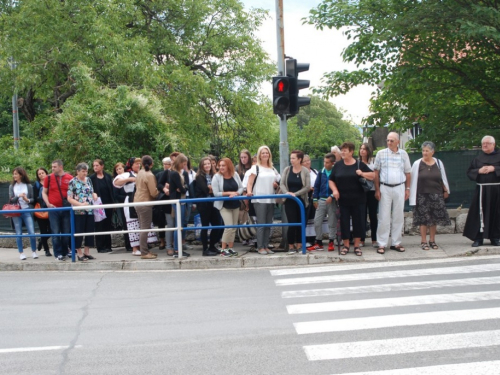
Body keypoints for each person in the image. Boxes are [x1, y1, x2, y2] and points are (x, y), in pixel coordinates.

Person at [329, 142, 375, 256]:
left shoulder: (359, 164)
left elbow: (373, 175)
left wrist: (362, 173)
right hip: (343, 199)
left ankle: (357, 246)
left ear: (351, 152)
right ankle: (346, 245)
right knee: (344, 222)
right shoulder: (338, 165)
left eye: (345, 150)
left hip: (358, 199)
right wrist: (335, 190)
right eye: (342, 150)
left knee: (358, 222)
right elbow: (331, 180)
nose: (343, 152)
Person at [373, 132, 411, 254]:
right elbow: (376, 173)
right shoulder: (380, 153)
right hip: (385, 187)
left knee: (398, 216)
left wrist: (407, 189)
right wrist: (377, 189)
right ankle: (382, 243)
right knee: (384, 216)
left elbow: (408, 172)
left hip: (400, 186)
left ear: (398, 142)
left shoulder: (404, 154)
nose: (389, 143)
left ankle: (396, 242)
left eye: (392, 141)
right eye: (388, 140)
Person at [409, 141, 451, 250]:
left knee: (434, 219)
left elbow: (443, 178)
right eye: (423, 150)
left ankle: (432, 240)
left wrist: (446, 190)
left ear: (432, 152)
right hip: (422, 195)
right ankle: (423, 241)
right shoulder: (417, 163)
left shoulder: (438, 162)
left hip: (436, 194)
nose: (424, 153)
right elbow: (412, 179)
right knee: (423, 219)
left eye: (427, 151)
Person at [113, 157, 157, 256]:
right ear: (131, 165)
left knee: (142, 224)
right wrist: (129, 179)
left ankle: (144, 248)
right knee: (133, 224)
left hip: (140, 199)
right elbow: (116, 182)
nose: (138, 165)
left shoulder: (142, 173)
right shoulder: (128, 174)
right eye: (136, 164)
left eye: (139, 163)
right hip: (130, 200)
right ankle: (134, 248)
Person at [463, 135, 500, 247]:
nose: (484, 145)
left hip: (497, 190)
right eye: (483, 143)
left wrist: (495, 169)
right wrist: (478, 171)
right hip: (482, 190)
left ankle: (496, 237)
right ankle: (478, 238)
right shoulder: (478, 159)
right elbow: (469, 172)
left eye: (487, 143)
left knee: (497, 214)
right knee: (479, 214)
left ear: (493, 144)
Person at [246, 146, 281, 255]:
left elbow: (278, 182)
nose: (265, 155)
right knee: (261, 224)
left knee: (268, 224)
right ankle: (260, 247)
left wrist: (276, 185)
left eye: (267, 153)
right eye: (263, 153)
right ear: (259, 155)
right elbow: (250, 182)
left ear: (269, 155)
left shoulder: (273, 169)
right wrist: (249, 191)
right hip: (259, 199)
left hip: (270, 198)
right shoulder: (255, 168)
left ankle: (266, 246)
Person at [280, 150, 311, 254]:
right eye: (291, 158)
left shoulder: (305, 171)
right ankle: (291, 246)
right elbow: (282, 183)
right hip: (289, 201)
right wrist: (287, 193)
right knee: (292, 223)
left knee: (301, 223)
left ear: (299, 159)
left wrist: (296, 194)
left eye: (293, 158)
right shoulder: (287, 170)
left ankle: (300, 244)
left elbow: (307, 186)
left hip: (301, 200)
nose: (291, 160)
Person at [42, 159, 73, 261]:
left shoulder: (70, 178)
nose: (52, 169)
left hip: (66, 209)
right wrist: (48, 203)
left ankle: (65, 251)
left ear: (61, 167)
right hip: (53, 209)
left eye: (54, 167)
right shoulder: (48, 178)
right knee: (55, 232)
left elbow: (74, 192)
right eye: (52, 167)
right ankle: (58, 254)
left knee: (66, 232)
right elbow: (44, 192)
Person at [212, 157, 244, 257]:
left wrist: (236, 194)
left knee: (234, 227)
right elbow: (216, 193)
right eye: (220, 165)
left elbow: (241, 187)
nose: (221, 167)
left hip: (235, 204)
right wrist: (229, 193)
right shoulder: (216, 177)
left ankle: (230, 247)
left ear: (228, 166)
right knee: (228, 226)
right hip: (224, 205)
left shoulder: (235, 174)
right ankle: (223, 249)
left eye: (223, 165)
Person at [67, 163, 98, 261]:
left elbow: (92, 191)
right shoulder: (72, 182)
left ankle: (87, 251)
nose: (85, 173)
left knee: (89, 231)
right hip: (78, 211)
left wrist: (94, 195)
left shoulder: (88, 180)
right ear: (78, 171)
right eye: (83, 171)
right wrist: (80, 205)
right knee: (79, 231)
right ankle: (79, 253)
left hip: (89, 210)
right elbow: (69, 198)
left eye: (86, 171)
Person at [308, 153, 337, 252]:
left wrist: (332, 196)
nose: (325, 164)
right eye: (324, 162)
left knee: (332, 221)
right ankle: (319, 242)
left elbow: (339, 187)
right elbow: (316, 186)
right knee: (317, 221)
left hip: (332, 201)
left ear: (333, 163)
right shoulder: (321, 172)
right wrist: (315, 199)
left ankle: (331, 241)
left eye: (327, 162)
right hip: (321, 200)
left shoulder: (335, 172)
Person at [195, 157, 223, 256]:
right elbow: (206, 190)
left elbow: (217, 188)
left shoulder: (214, 175)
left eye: (208, 164)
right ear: (201, 166)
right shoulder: (199, 176)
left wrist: (212, 189)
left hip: (213, 203)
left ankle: (212, 245)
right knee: (205, 226)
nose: (207, 165)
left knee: (218, 224)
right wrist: (211, 189)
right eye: (205, 164)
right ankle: (205, 249)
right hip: (204, 204)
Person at [134, 155, 159, 259]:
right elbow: (153, 192)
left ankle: (145, 250)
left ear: (142, 164)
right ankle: (144, 252)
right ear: (152, 164)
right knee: (145, 228)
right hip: (145, 203)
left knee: (142, 227)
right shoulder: (149, 175)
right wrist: (160, 191)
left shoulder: (140, 172)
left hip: (137, 201)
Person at [9, 167, 37, 260]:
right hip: (16, 212)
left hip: (26, 210)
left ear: (21, 174)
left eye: (16, 174)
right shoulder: (12, 186)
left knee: (32, 232)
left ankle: (34, 251)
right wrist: (18, 196)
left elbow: (33, 199)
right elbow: (11, 200)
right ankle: (21, 253)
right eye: (14, 174)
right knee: (19, 233)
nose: (14, 176)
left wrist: (27, 199)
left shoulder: (28, 185)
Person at [89, 159, 114, 253]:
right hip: (98, 205)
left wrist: (113, 203)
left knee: (108, 225)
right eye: (94, 165)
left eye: (97, 165)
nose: (95, 167)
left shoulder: (107, 176)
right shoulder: (91, 178)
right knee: (99, 225)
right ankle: (100, 247)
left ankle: (108, 245)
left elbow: (111, 190)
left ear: (102, 166)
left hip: (108, 204)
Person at [169, 153, 191, 257]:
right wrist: (183, 188)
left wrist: (183, 188)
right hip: (177, 200)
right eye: (184, 164)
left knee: (181, 224)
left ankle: (179, 248)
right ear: (180, 163)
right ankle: (177, 250)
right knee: (179, 224)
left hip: (182, 199)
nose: (185, 166)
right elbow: (181, 188)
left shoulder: (182, 173)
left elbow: (185, 187)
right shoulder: (174, 174)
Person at [359, 143, 378, 248]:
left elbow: (375, 177)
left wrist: (377, 191)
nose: (362, 151)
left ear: (368, 151)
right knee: (362, 215)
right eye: (361, 149)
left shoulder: (373, 162)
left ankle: (374, 239)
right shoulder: (357, 163)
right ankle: (362, 239)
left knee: (373, 215)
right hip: (361, 191)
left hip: (372, 191)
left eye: (364, 149)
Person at [155, 157, 173, 254]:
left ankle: (175, 244)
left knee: (174, 224)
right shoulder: (160, 174)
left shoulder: (179, 172)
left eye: (168, 164)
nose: (166, 166)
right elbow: (158, 185)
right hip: (162, 200)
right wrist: (164, 189)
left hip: (173, 200)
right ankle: (164, 243)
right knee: (163, 222)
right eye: (164, 164)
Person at [33, 167, 52, 257]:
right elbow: (34, 197)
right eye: (39, 174)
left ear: (46, 173)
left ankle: (41, 240)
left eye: (42, 173)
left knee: (52, 230)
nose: (41, 175)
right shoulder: (36, 185)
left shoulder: (51, 182)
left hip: (51, 209)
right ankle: (46, 250)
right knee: (43, 230)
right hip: (41, 210)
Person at [113, 162, 132, 251]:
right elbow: (116, 195)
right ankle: (128, 245)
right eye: (117, 170)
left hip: (131, 202)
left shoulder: (129, 176)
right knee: (125, 224)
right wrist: (127, 197)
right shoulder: (116, 180)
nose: (118, 171)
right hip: (123, 204)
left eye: (120, 168)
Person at [302, 154, 319, 247]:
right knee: (306, 217)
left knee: (313, 217)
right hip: (306, 196)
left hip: (315, 197)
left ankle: (313, 238)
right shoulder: (301, 172)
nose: (307, 162)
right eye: (305, 161)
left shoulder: (314, 171)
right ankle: (305, 239)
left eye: (308, 160)